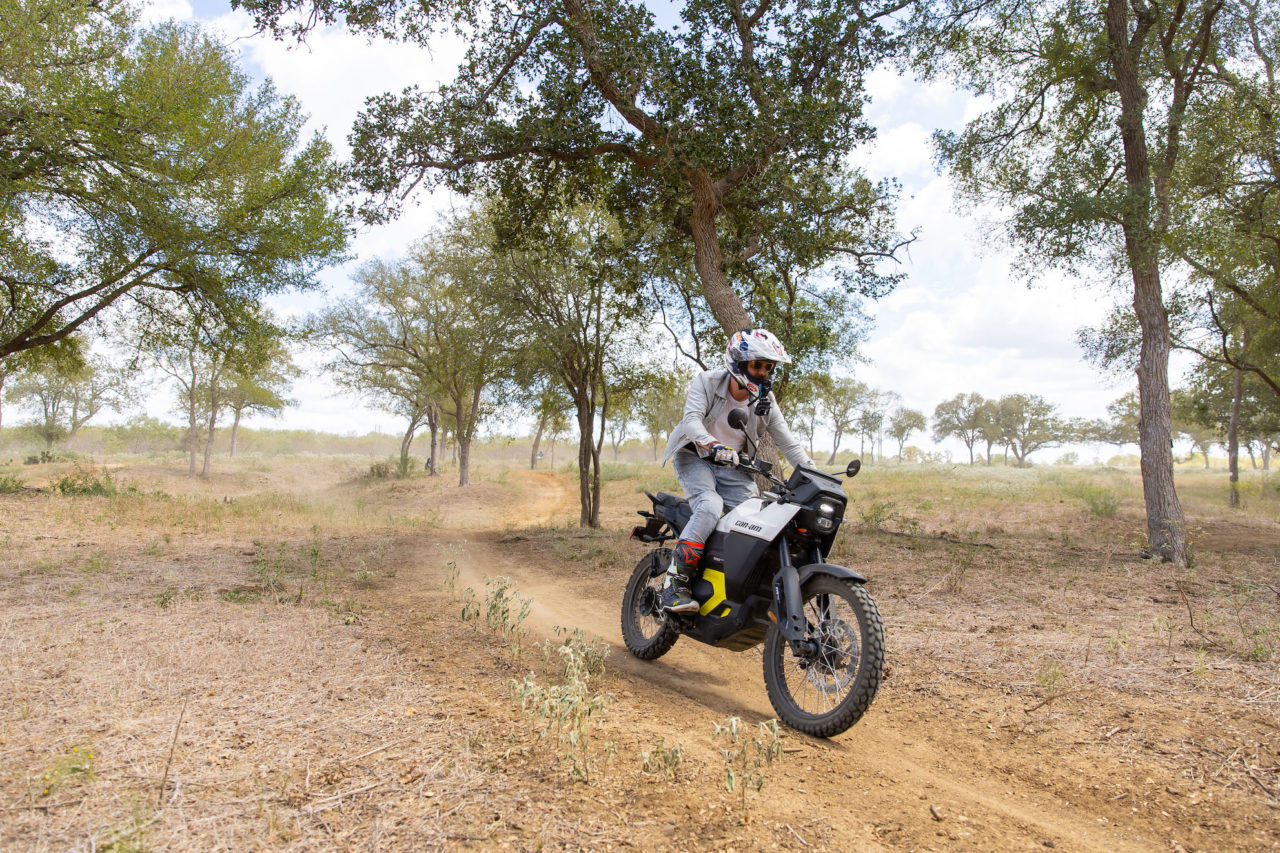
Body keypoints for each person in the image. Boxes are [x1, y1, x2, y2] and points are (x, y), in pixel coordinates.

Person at [659, 329, 815, 613]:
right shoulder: (707, 382)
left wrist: (815, 475)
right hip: (695, 456)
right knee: (709, 506)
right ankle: (674, 583)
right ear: (738, 362)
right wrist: (714, 444)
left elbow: (789, 445)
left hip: (734, 466)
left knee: (756, 521)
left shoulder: (766, 403)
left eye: (769, 367)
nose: (763, 373)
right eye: (758, 365)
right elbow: (692, 422)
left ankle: (730, 583)